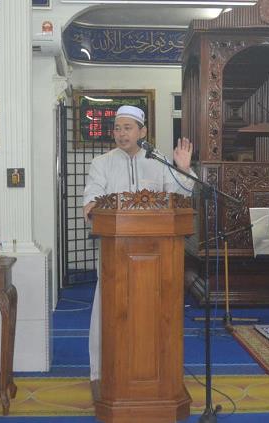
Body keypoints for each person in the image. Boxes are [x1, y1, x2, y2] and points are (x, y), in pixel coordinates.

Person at [82, 105, 196, 381]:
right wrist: (96, 209)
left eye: (128, 128)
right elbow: (91, 203)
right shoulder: (101, 163)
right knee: (111, 313)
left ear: (142, 132)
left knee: (153, 314)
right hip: (115, 257)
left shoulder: (158, 161)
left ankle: (154, 374)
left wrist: (183, 169)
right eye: (117, 129)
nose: (121, 134)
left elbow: (179, 198)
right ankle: (104, 374)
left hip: (156, 257)